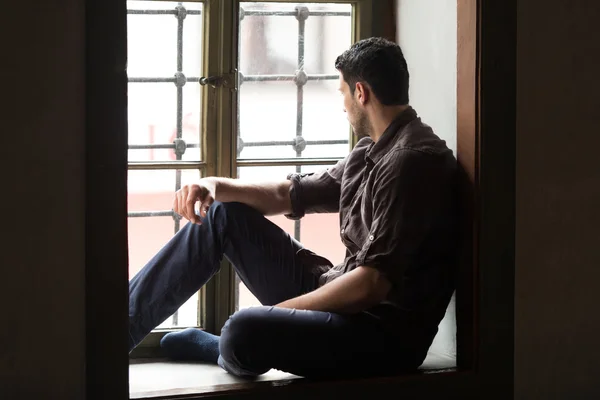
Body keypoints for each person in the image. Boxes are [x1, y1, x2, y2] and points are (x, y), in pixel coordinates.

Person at [129, 37, 458, 379]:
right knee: (223, 213)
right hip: (338, 295)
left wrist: (277, 314)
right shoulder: (370, 151)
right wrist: (214, 185)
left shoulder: (412, 162)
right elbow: (289, 193)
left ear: (361, 93)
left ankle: (221, 347)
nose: (343, 105)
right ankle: (114, 336)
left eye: (343, 93)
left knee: (244, 328)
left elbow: (371, 285)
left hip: (377, 336)